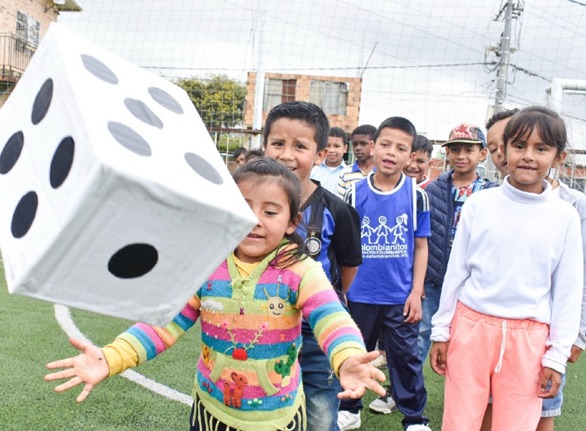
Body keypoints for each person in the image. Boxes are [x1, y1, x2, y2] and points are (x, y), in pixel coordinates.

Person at [45, 158, 386, 431]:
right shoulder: (206, 264)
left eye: (270, 211)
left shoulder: (299, 269)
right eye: (243, 206)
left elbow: (332, 318)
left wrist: (347, 356)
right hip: (210, 414)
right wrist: (111, 357)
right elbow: (163, 325)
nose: (255, 220)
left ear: (291, 222)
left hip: (278, 419)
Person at [429, 106, 583, 431]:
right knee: (459, 422)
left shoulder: (565, 216)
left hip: (529, 340)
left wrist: (556, 356)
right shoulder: (479, 204)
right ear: (503, 150)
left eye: (541, 149)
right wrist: (442, 331)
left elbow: (568, 290)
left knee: (517, 425)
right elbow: (457, 273)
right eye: (519, 146)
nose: (528, 156)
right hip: (470, 330)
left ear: (558, 157)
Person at [262, 101, 364, 431]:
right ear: (265, 146)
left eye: (300, 146)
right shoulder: (244, 205)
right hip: (258, 326)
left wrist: (322, 300)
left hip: (315, 331)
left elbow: (347, 270)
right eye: (278, 143)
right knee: (260, 408)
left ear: (320, 155)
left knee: (320, 413)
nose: (286, 155)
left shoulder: (338, 211)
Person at [484, 108, 586, 431]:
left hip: (544, 336)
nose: (502, 153)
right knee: (487, 409)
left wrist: (576, 334)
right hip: (490, 334)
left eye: (538, 147)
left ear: (555, 155)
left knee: (542, 411)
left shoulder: (572, 207)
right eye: (495, 147)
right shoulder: (486, 202)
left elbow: (577, 280)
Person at [343, 116, 432, 431]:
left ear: (410, 157)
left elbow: (421, 248)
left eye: (401, 148)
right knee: (353, 353)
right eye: (385, 144)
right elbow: (345, 246)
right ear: (372, 147)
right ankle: (349, 408)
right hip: (359, 295)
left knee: (405, 359)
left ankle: (414, 419)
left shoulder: (416, 195)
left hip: (400, 296)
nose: (391, 152)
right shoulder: (353, 193)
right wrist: (343, 290)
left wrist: (416, 292)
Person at [417, 124, 497, 363]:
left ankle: (464, 396)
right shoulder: (432, 190)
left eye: (468, 150)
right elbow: (420, 239)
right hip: (433, 278)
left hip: (470, 282)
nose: (461, 156)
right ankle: (406, 394)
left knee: (467, 339)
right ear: (447, 154)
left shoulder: (490, 194)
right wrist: (418, 281)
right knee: (420, 335)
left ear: (482, 154)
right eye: (455, 150)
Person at [337, 124, 377, 198]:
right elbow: (341, 203)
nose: (358, 148)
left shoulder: (382, 172)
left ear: (373, 145)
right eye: (355, 144)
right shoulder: (346, 173)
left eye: (363, 144)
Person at [311, 126, 349, 195]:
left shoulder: (349, 173)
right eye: (327, 145)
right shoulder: (313, 169)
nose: (331, 150)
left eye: (336, 146)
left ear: (345, 148)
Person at [485, 108, 519, 181]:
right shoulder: (484, 192)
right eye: (493, 149)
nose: (499, 152)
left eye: (506, 143)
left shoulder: (549, 192)